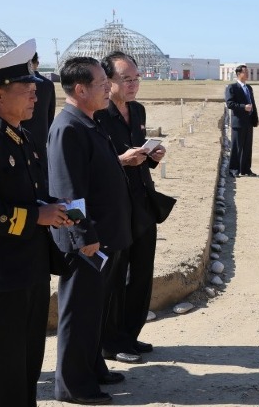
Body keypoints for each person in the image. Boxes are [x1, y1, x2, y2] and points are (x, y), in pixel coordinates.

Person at [0, 39, 71, 406]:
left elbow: (31, 193)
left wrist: (54, 208)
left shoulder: (23, 138)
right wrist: (38, 216)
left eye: (35, 88)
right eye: (26, 88)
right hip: (0, 277)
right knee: (1, 372)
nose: (35, 96)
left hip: (30, 271)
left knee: (26, 367)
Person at [48, 56, 132, 405]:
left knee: (94, 311)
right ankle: (73, 385)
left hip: (104, 237)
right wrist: (84, 237)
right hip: (86, 242)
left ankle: (93, 367)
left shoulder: (89, 122)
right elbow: (68, 192)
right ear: (80, 90)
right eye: (101, 84)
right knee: (79, 314)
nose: (108, 89)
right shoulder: (68, 127)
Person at [97, 52, 166, 364]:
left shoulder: (137, 110)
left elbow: (138, 157)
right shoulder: (98, 115)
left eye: (136, 79)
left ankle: (130, 334)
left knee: (141, 272)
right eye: (126, 79)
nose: (133, 85)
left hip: (142, 203)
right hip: (115, 207)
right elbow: (95, 163)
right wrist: (120, 161)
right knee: (116, 276)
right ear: (108, 81)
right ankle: (111, 342)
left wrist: (152, 157)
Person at [225, 64, 259, 177]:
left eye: (248, 72)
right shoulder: (232, 88)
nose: (248, 74)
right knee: (237, 147)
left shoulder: (249, 88)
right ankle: (233, 169)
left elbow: (253, 104)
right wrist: (243, 107)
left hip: (249, 122)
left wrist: (255, 118)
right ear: (239, 74)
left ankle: (246, 169)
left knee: (247, 147)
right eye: (246, 72)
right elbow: (230, 104)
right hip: (238, 122)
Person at [21, 51, 56, 158]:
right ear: (37, 63)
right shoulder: (48, 84)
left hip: (21, 134)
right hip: (42, 134)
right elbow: (51, 113)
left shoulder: (19, 83)